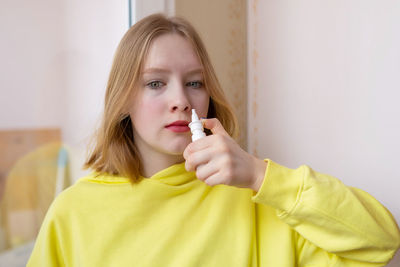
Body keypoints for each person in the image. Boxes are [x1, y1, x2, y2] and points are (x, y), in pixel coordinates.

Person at [27, 13, 400, 267]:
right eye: (156, 83)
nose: (181, 100)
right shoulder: (73, 213)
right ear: (123, 99)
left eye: (194, 82)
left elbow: (382, 241)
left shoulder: (255, 198)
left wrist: (259, 175)